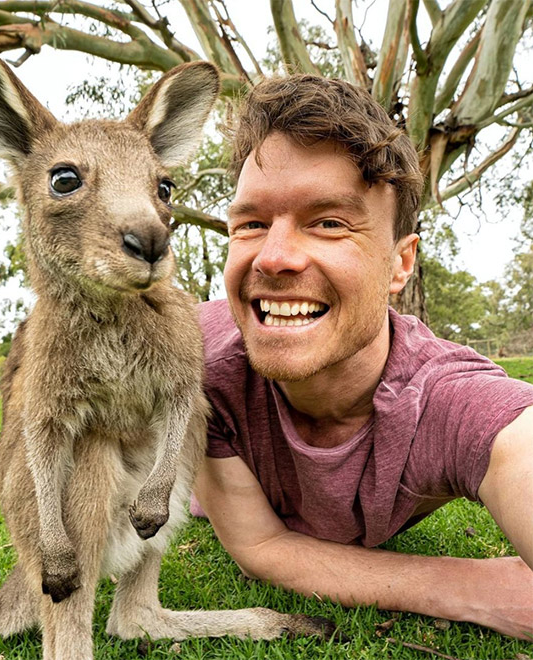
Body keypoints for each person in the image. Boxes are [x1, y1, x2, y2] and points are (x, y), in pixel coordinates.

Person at [192, 75, 533, 639]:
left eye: (329, 223)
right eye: (251, 224)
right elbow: (260, 543)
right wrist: (475, 589)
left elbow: (517, 441)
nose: (273, 257)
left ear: (400, 265)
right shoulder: (196, 372)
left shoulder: (447, 400)